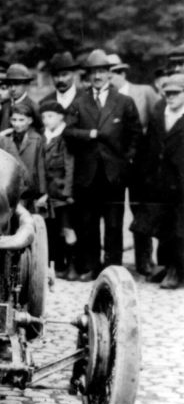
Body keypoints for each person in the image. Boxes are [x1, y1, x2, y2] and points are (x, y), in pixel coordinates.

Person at [64, 49, 143, 281]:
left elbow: (136, 135)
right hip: (87, 174)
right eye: (93, 72)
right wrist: (90, 133)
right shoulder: (80, 101)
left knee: (113, 224)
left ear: (110, 74)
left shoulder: (124, 102)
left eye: (102, 71)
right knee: (87, 223)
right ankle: (91, 266)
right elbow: (68, 132)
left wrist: (125, 161)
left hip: (113, 175)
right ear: (88, 76)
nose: (97, 76)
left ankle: (112, 269)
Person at [109, 54, 161, 275]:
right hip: (115, 164)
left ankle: (144, 261)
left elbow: (156, 122)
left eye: (112, 73)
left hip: (141, 163)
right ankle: (114, 263)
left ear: (121, 73)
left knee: (141, 211)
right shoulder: (107, 98)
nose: (107, 78)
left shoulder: (144, 92)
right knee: (114, 212)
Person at [132, 73, 184, 289]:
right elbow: (148, 146)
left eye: (175, 93)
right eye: (167, 93)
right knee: (163, 227)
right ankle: (167, 265)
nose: (170, 97)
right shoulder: (158, 113)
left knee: (180, 228)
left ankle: (176, 270)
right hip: (160, 180)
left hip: (181, 180)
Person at [37, 100, 76, 279]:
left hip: (62, 193)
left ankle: (73, 265)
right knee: (51, 230)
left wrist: (68, 192)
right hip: (48, 193)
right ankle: (56, 265)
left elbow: (70, 166)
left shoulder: (65, 137)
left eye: (50, 116)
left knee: (68, 229)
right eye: (44, 117)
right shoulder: (41, 137)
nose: (46, 120)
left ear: (61, 117)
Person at [9, 102, 46, 203]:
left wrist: (43, 192)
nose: (17, 124)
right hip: (11, 185)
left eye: (21, 120)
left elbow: (40, 166)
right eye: (14, 120)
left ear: (30, 120)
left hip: (29, 188)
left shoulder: (36, 139)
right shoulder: (7, 138)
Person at [0, 64, 39, 132]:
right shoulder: (5, 105)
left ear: (26, 85)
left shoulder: (34, 107)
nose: (13, 88)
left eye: (17, 84)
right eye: (10, 84)